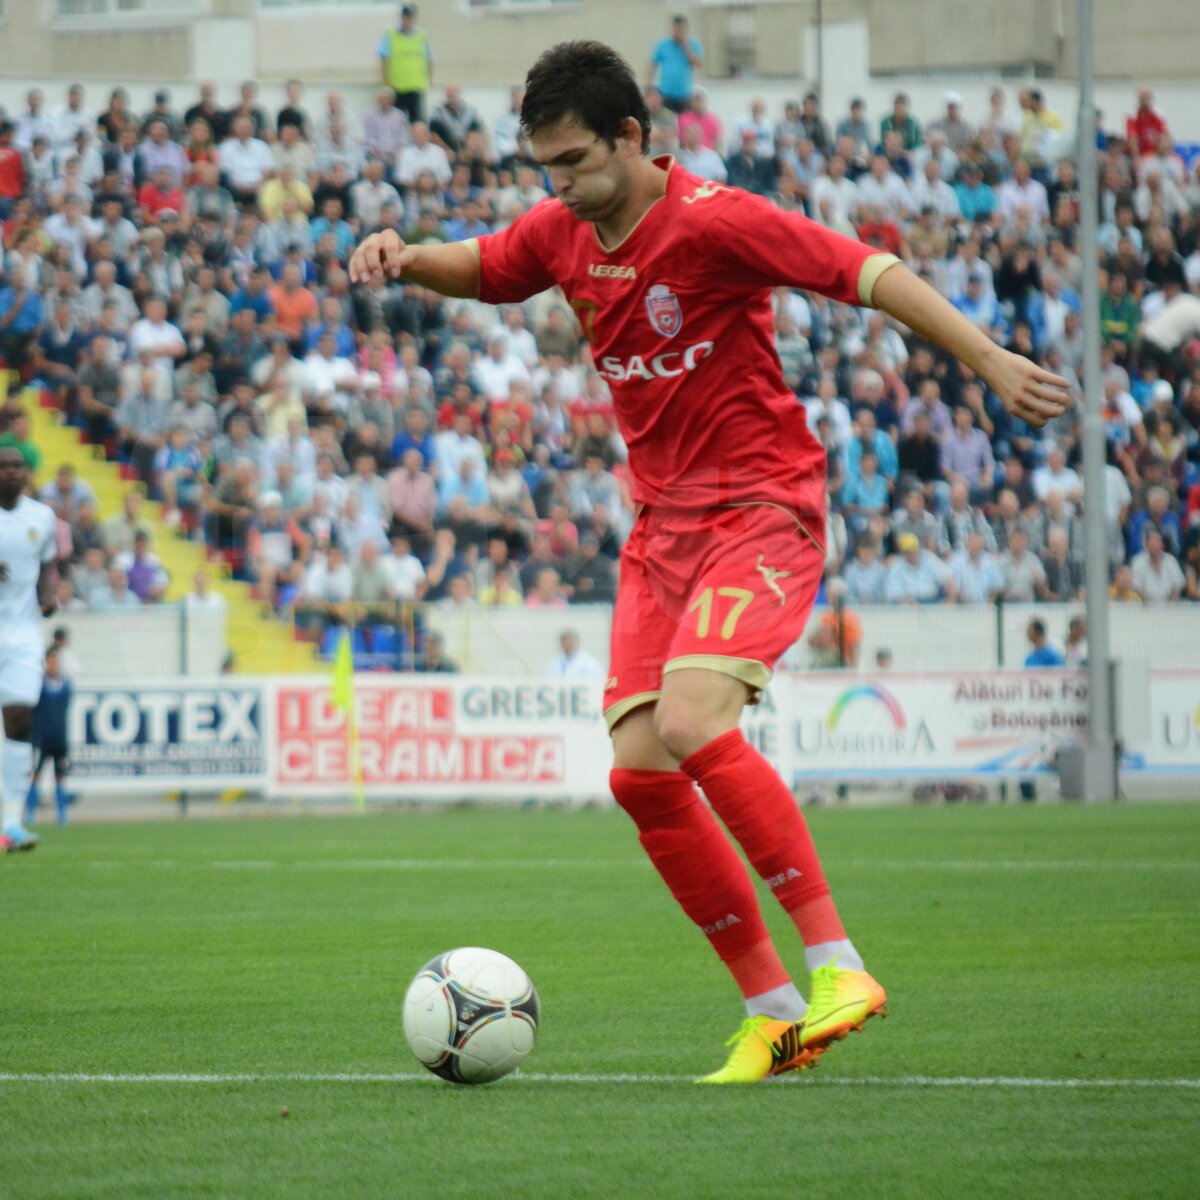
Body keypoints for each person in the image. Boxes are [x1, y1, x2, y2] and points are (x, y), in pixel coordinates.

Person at [349, 40, 1068, 1085]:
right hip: (662, 536)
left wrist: (990, 359)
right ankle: (775, 1011)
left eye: (575, 161)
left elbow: (869, 273)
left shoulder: (717, 219)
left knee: (691, 725)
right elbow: (492, 268)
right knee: (640, 771)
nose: (559, 185)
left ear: (632, 138)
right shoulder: (563, 230)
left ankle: (839, 966)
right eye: (545, 167)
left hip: (762, 510)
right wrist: (409, 255)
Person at [0, 446, 58, 851]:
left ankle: (13, 821)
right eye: (2, 466)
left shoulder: (42, 517)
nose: (10, 471)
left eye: (17, 465)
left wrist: (49, 592)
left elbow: (48, 563)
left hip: (22, 634)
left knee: (19, 719)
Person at [25, 647, 72, 826]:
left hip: (59, 739)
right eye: (50, 661)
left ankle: (62, 815)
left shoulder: (66, 685)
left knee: (60, 777)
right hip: (41, 739)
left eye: (55, 662)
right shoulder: (37, 685)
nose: (53, 665)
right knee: (35, 775)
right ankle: (30, 814)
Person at [379, 4, 433, 126]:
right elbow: (384, 60)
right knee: (396, 122)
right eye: (405, 17)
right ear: (401, 17)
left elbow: (429, 59)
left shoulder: (421, 35)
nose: (407, 20)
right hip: (397, 88)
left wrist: (429, 81)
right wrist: (386, 86)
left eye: (410, 17)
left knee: (418, 122)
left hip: (416, 87)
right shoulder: (390, 34)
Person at [648, 15, 703, 115]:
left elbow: (698, 64)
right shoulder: (663, 45)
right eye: (675, 29)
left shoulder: (693, 44)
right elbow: (652, 65)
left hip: (684, 95)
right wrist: (649, 87)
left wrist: (686, 46)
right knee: (667, 124)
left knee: (683, 124)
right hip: (665, 94)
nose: (678, 32)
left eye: (681, 29)